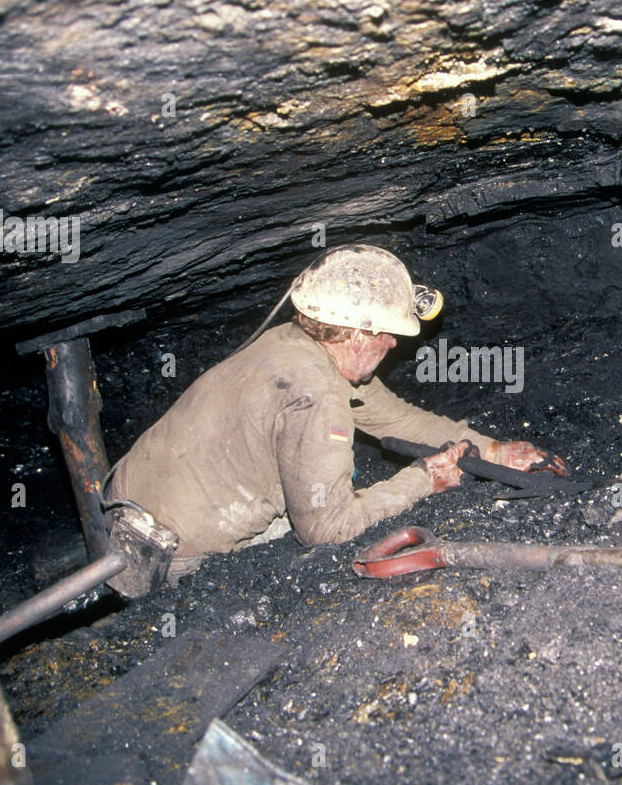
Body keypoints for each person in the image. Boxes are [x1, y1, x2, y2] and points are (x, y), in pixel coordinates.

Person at [103, 244, 566, 596]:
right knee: (313, 534)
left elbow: (392, 418)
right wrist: (425, 480)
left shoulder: (294, 342)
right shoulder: (315, 393)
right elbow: (326, 531)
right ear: (355, 332)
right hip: (172, 553)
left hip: (131, 495)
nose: (392, 346)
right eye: (387, 334)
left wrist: (490, 449)